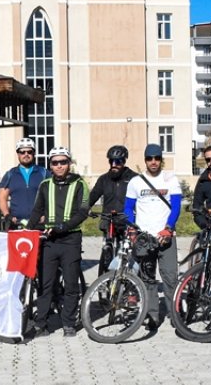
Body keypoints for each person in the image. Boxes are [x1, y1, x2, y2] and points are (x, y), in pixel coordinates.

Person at [26, 146, 89, 338]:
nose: (59, 166)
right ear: (50, 165)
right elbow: (37, 210)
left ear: (69, 163)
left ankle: (68, 323)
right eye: (55, 163)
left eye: (63, 162)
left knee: (71, 284)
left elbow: (83, 212)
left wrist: (63, 227)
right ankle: (41, 324)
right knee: (46, 284)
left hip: (70, 239)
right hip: (49, 240)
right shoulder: (45, 185)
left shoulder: (80, 183)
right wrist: (27, 230)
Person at [122, 144, 182, 330]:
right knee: (147, 279)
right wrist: (133, 230)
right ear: (145, 160)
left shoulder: (170, 179)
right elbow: (127, 208)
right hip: (144, 238)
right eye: (150, 158)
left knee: (170, 277)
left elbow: (177, 206)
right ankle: (152, 316)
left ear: (161, 159)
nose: (153, 162)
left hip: (165, 237)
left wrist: (168, 228)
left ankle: (175, 314)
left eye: (157, 158)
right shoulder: (136, 182)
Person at [89, 145, 136, 274]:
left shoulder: (133, 178)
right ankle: (106, 270)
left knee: (128, 251)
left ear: (124, 161)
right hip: (108, 219)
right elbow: (92, 196)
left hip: (126, 220)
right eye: (112, 161)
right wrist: (84, 208)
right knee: (107, 247)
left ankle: (128, 278)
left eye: (118, 161)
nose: (114, 164)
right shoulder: (104, 179)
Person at [0, 138, 45, 230]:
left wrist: (46, 215)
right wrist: (7, 215)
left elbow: (52, 197)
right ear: (18, 154)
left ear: (34, 153)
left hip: (39, 224)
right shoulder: (10, 174)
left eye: (29, 152)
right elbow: (1, 198)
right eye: (22, 152)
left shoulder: (44, 173)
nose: (26, 154)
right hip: (16, 224)